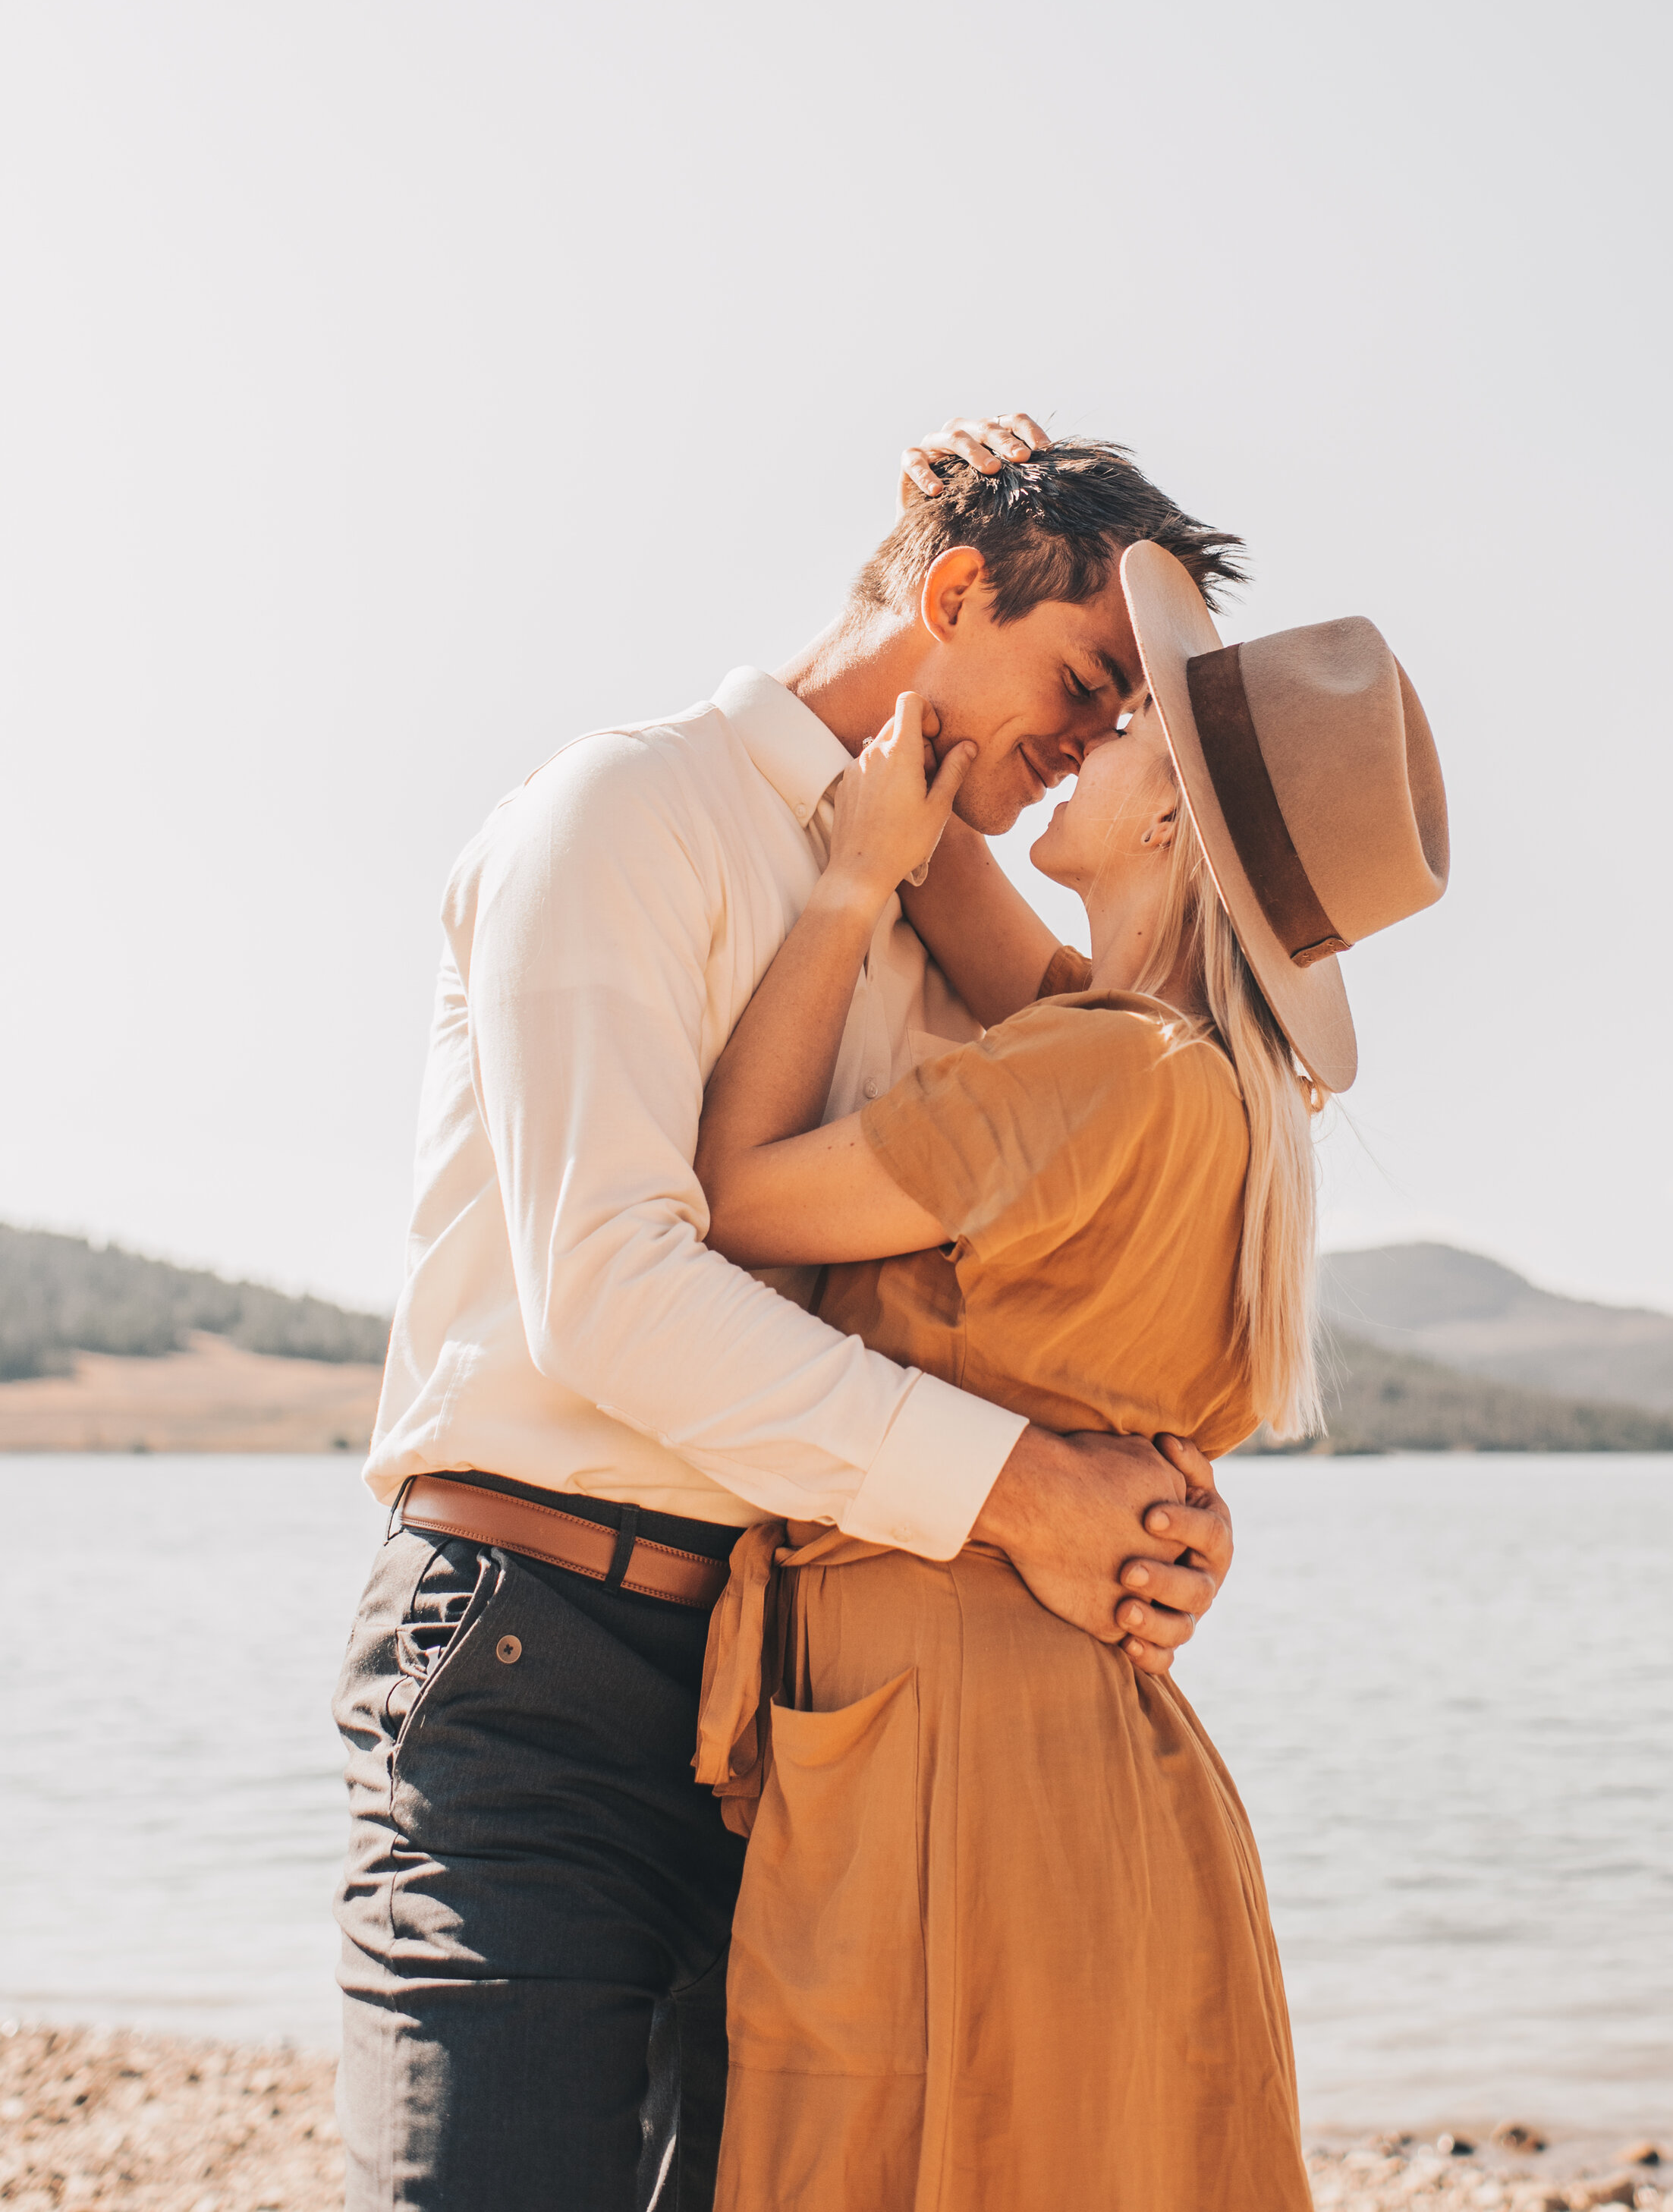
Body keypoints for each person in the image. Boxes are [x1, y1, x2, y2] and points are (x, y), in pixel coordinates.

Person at [332, 418, 1253, 2212]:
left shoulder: (940, 916)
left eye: (1122, 714)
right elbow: (607, 1291)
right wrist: (1018, 1493)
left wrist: (1159, 1505)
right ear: (953, 591)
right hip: (530, 1655)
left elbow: (1083, 1228)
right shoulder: (630, 807)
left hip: (799, 1712)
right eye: (1083, 679)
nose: (1093, 739)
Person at [690, 540, 1451, 2211]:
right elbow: (973, 883)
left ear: (1168, 821)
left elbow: (732, 1193)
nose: (1081, 730)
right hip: (1092, 1755)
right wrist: (920, 583)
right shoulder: (1208, 1097)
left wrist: (835, 893)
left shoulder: (1090, 1074)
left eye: (1120, 730)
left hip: (940, 1761)